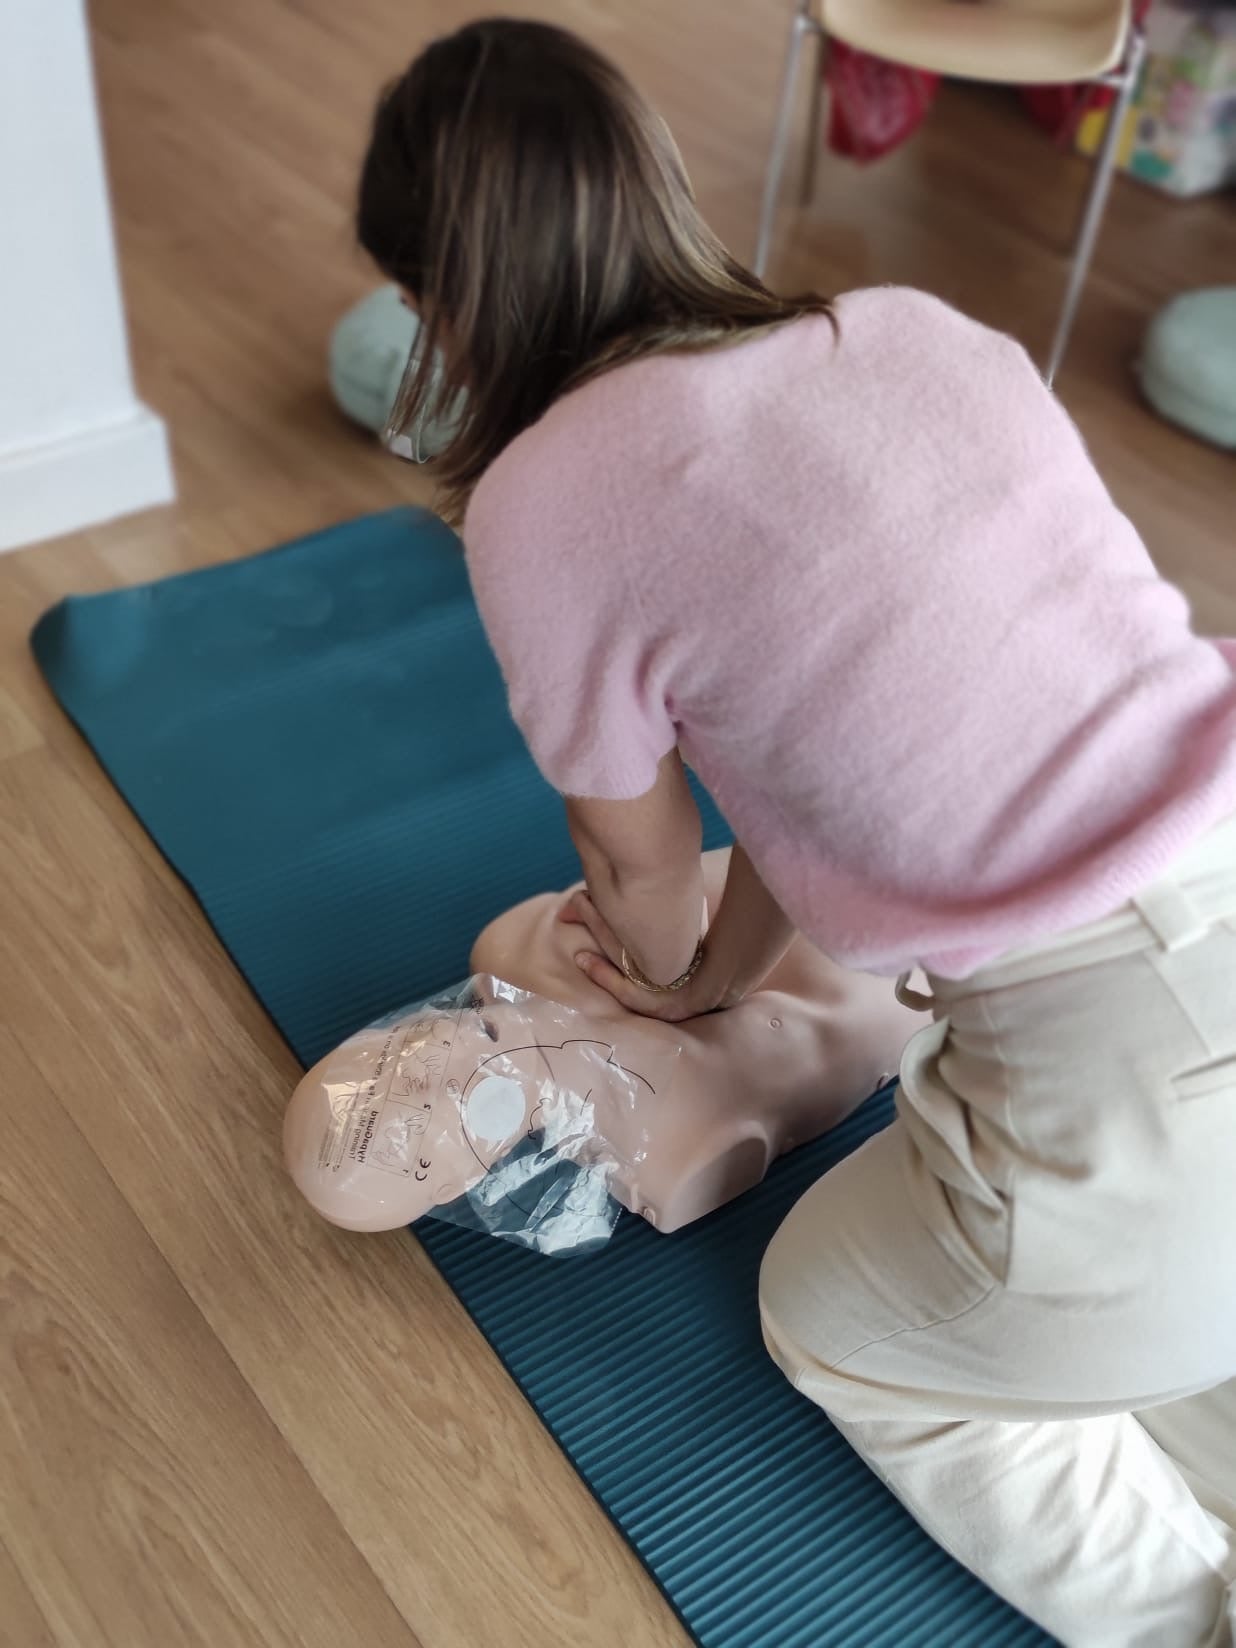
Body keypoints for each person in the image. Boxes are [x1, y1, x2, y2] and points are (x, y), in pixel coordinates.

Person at [355, 18, 1236, 1643]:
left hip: (1127, 1083)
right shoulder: (902, 328)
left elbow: (638, 862)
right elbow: (809, 772)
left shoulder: (541, 500)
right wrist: (714, 987)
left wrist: (660, 971)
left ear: (447, 303)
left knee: (835, 1316)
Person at [284, 849, 922, 1240]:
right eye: (422, 1130)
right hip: (912, 952)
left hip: (830, 835)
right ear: (458, 1183)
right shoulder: (666, 1161)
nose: (427, 1065)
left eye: (390, 1056)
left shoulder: (511, 949)